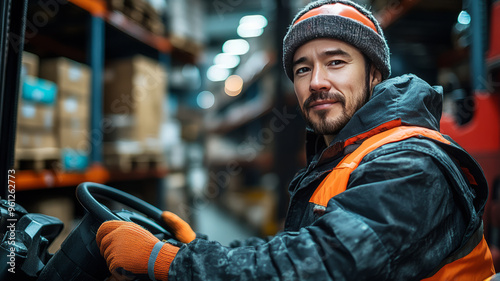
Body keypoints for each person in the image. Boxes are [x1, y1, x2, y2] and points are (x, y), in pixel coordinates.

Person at [95, 0, 496, 280]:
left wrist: (170, 263)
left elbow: (323, 265)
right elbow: (303, 247)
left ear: (375, 73)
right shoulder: (346, 155)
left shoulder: (411, 162)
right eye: (303, 69)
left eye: (336, 62)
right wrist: (193, 248)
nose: (317, 81)